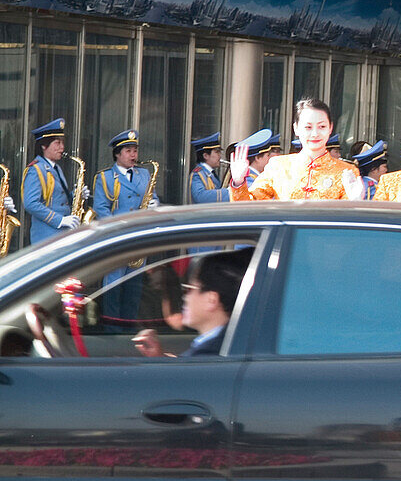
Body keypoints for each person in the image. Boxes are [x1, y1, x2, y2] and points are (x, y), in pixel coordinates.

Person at [93, 129, 161, 331]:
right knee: (114, 284)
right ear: (117, 154)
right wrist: (117, 227)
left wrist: (154, 205)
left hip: (138, 237)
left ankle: (130, 328)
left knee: (134, 285)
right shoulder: (105, 178)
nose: (133, 155)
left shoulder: (144, 174)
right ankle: (112, 328)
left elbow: (152, 196)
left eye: (135, 151)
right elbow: (101, 208)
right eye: (128, 151)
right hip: (116, 238)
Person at [229, 99, 362, 201]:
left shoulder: (347, 172)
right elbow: (250, 207)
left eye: (321, 126)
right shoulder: (279, 166)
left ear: (330, 128)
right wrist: (238, 182)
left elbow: (349, 226)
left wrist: (355, 204)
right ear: (296, 128)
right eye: (308, 127)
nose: (315, 134)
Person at [133, 248, 251, 357]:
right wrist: (159, 356)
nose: (185, 297)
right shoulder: (232, 345)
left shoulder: (208, 354)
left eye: (190, 289)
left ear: (211, 300)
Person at [21, 118, 81, 243]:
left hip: (62, 234)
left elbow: (57, 199)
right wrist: (59, 220)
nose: (62, 147)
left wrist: (76, 194)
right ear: (44, 145)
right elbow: (30, 203)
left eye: (62, 143)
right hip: (46, 235)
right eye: (57, 143)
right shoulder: (36, 169)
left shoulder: (56, 168)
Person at [188, 132, 230, 204]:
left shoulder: (210, 173)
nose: (220, 156)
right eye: (217, 152)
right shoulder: (197, 174)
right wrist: (229, 192)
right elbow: (200, 197)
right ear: (205, 156)